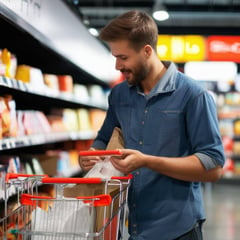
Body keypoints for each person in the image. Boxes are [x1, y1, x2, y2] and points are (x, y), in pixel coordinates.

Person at [79, 10, 225, 240]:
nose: (117, 65)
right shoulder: (119, 95)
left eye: (124, 58)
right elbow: (104, 139)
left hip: (179, 229)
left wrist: (147, 161)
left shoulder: (193, 95)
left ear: (147, 51)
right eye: (115, 57)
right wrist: (92, 155)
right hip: (133, 227)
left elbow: (213, 167)